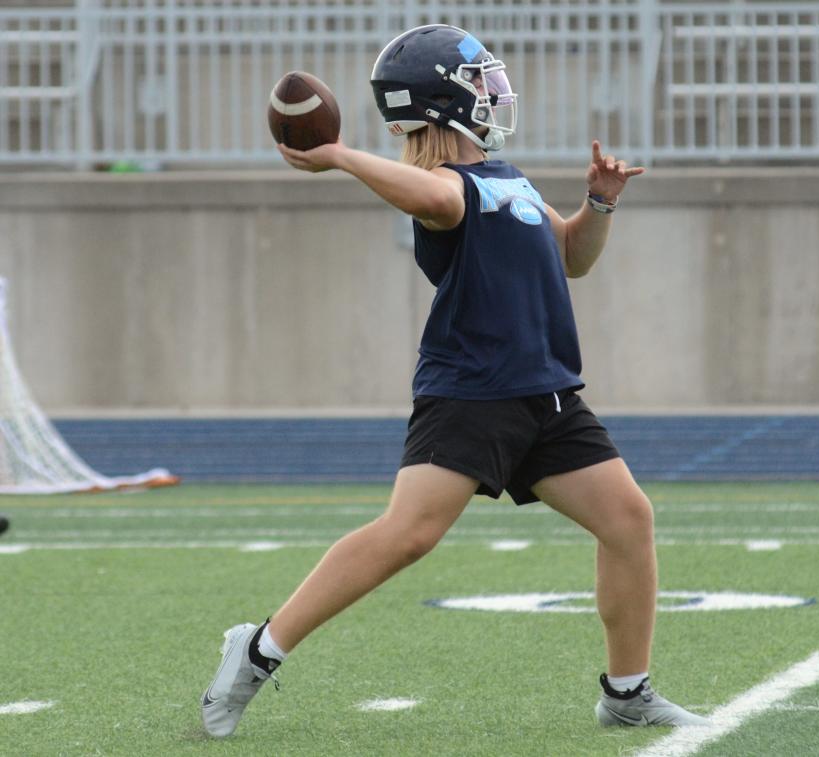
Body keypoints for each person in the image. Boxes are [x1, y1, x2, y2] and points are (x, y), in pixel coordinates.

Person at [200, 23, 708, 737]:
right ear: (441, 102)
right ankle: (256, 648)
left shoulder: (509, 177)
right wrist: (342, 155)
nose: (495, 93)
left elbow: (572, 258)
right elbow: (437, 202)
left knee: (628, 518)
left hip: (547, 393)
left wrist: (598, 205)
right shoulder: (442, 185)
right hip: (473, 392)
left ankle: (626, 693)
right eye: (480, 83)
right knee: (407, 535)